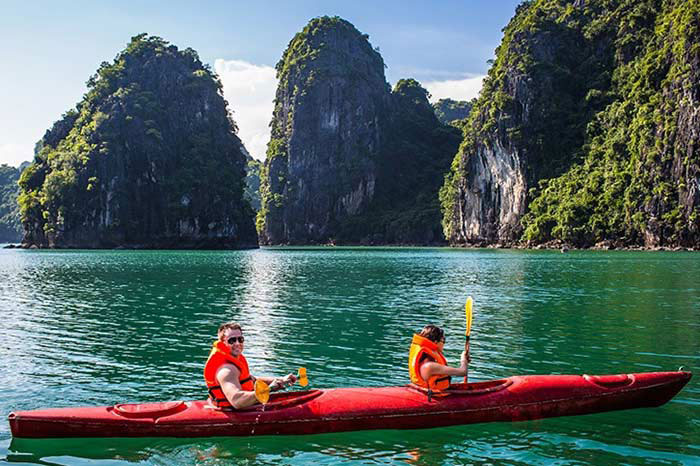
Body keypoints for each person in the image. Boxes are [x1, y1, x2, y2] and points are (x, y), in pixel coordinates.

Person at [204, 322, 297, 409]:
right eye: (232, 340)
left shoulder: (235, 360)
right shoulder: (227, 371)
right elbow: (236, 401)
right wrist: (269, 389)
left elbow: (252, 380)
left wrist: (281, 380)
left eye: (240, 339)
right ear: (222, 342)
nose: (237, 343)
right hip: (231, 411)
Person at [408, 324, 469, 393]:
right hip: (433, 396)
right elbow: (463, 372)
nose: (444, 344)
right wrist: (463, 359)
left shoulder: (424, 360)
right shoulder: (430, 366)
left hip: (422, 389)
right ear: (435, 342)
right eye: (443, 340)